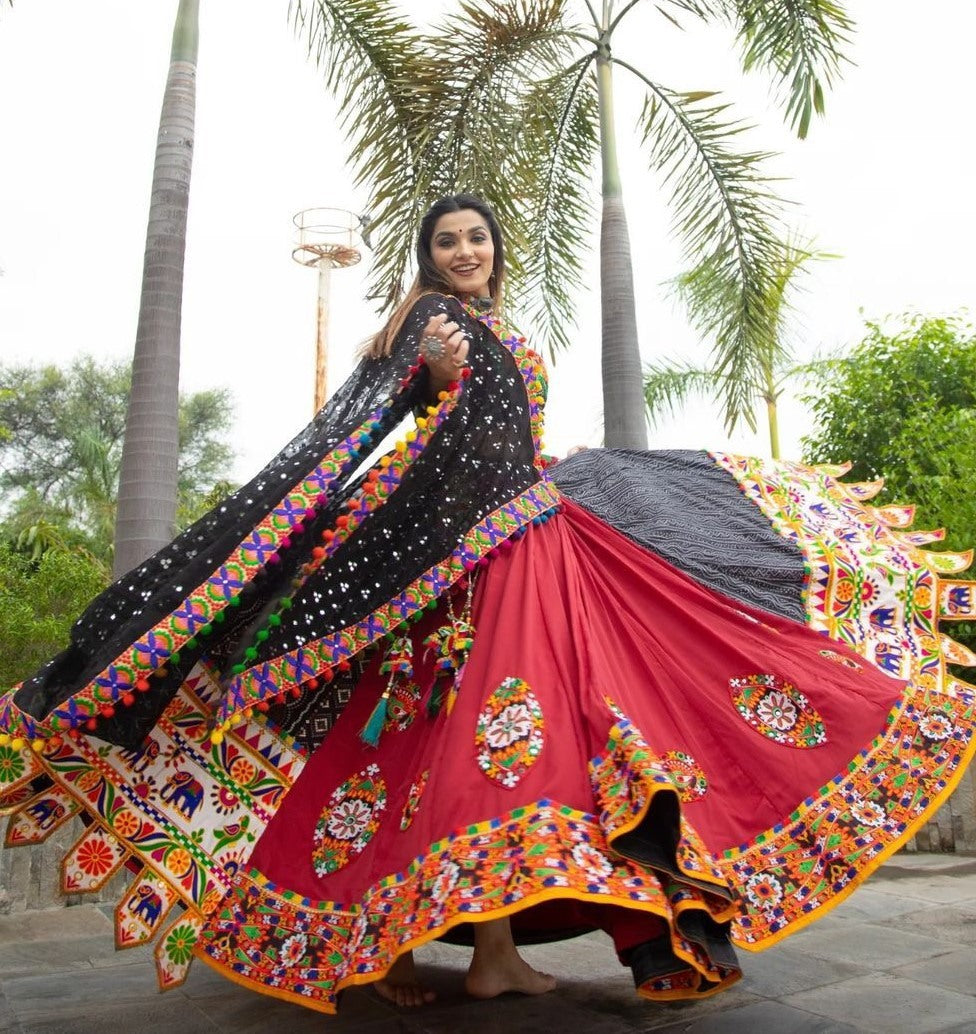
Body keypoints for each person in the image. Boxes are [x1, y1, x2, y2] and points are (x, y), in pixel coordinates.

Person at [1, 194, 973, 1017]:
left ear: (494, 247)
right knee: (475, 752)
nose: (464, 251)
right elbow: (395, 443)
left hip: (537, 538)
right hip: (473, 565)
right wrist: (426, 403)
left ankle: (503, 944)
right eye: (445, 242)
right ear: (426, 259)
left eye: (474, 237)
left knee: (557, 739)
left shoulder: (499, 325)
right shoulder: (434, 328)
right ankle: (441, 945)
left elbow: (503, 435)